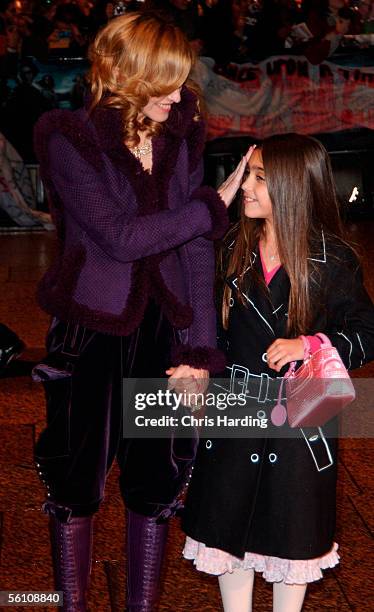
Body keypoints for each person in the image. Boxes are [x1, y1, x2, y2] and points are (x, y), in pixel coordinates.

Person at [32, 11, 246, 612]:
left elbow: (194, 250)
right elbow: (120, 238)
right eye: (166, 82)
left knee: (156, 481)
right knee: (76, 482)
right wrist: (210, 206)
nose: (180, 96)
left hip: (164, 329)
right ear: (123, 74)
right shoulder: (67, 137)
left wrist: (200, 349)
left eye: (182, 81)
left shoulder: (182, 134)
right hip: (90, 327)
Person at [182, 133, 374, 612]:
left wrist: (313, 343)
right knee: (228, 533)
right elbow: (202, 320)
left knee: (292, 531)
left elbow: (368, 332)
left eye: (259, 177)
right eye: (248, 174)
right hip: (235, 416)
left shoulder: (333, 260)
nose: (247, 186)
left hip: (303, 424)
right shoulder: (230, 248)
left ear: (292, 186)